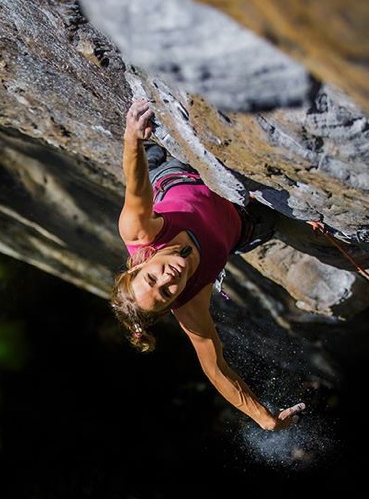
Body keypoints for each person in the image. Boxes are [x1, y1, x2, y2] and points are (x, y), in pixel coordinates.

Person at [109, 97, 306, 431]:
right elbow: (215, 370)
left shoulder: (140, 233)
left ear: (137, 266)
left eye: (152, 279)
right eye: (167, 293)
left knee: (155, 159)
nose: (167, 279)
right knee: (279, 221)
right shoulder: (191, 307)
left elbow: (136, 188)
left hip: (178, 173)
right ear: (174, 302)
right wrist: (265, 419)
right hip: (242, 224)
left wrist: (133, 138)